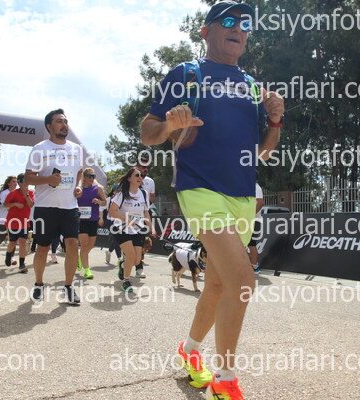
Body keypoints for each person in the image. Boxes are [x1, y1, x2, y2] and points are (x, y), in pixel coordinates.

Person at [140, 2, 284, 398]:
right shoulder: (187, 73)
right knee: (243, 281)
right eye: (228, 21)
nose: (238, 28)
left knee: (219, 285)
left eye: (245, 24)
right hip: (200, 188)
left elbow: (264, 151)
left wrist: (275, 120)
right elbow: (148, 132)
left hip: (243, 194)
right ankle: (225, 379)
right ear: (206, 32)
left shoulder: (253, 85)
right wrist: (169, 124)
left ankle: (188, 350)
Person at [25, 108, 84, 305]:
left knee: (72, 244)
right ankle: (38, 284)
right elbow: (28, 178)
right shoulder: (39, 148)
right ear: (49, 126)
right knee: (42, 247)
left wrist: (78, 186)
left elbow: (80, 172)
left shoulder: (76, 148)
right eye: (59, 121)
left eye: (65, 121)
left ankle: (68, 287)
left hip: (70, 207)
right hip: (45, 207)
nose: (64, 125)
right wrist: (48, 179)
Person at [108, 167, 151, 292]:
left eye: (141, 175)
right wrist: (127, 219)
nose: (140, 177)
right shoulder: (121, 194)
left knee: (137, 260)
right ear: (129, 179)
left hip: (137, 229)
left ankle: (123, 264)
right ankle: (126, 281)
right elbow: (112, 212)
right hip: (121, 228)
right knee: (131, 255)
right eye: (137, 175)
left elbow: (146, 212)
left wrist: (151, 227)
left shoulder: (144, 194)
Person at [75, 168, 106, 280]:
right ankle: (87, 270)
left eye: (93, 176)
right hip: (81, 220)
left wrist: (99, 201)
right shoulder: (78, 189)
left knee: (90, 245)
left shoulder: (97, 189)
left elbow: (105, 202)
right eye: (89, 176)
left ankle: (80, 259)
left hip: (93, 220)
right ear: (84, 177)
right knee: (84, 244)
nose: (92, 178)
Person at [4, 173, 34, 273]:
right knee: (12, 242)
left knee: (22, 242)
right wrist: (15, 204)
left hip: (24, 222)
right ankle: (8, 255)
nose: (25, 183)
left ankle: (21, 264)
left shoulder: (30, 193)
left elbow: (30, 205)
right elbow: (5, 205)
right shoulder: (13, 193)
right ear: (19, 182)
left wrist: (26, 194)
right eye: (23, 181)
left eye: (27, 181)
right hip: (13, 222)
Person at [0, 176, 18, 263]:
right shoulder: (4, 193)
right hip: (3, 219)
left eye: (16, 181)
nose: (15, 183)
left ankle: (12, 257)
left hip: (13, 219)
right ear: (8, 183)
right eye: (13, 181)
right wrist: (15, 205)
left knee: (13, 239)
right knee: (2, 237)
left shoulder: (18, 193)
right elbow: (5, 204)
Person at [247, 181, 264, 275]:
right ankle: (250, 266)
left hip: (254, 220)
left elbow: (260, 202)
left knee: (251, 244)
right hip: (249, 220)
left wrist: (250, 215)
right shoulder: (249, 186)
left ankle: (255, 267)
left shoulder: (256, 187)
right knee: (244, 244)